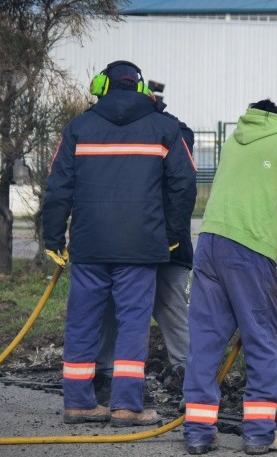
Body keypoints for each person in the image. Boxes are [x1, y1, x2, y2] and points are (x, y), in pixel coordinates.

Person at [42, 60, 197, 427]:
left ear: (100, 86)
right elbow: (184, 184)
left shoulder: (78, 128)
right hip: (141, 246)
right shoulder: (165, 129)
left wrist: (52, 237)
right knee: (133, 324)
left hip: (89, 245)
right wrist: (173, 235)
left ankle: (78, 403)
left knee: (82, 322)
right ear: (142, 90)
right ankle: (127, 407)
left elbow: (58, 187)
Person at [181, 97, 277, 455]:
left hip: (209, 244)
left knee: (206, 342)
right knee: (260, 341)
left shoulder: (237, 137)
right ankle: (258, 434)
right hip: (249, 250)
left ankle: (197, 431)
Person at [93, 110, 195, 406]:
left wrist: (173, 239)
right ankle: (109, 377)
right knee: (122, 310)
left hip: (160, 247)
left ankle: (189, 377)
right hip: (135, 244)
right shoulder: (147, 135)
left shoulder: (174, 134)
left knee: (168, 308)